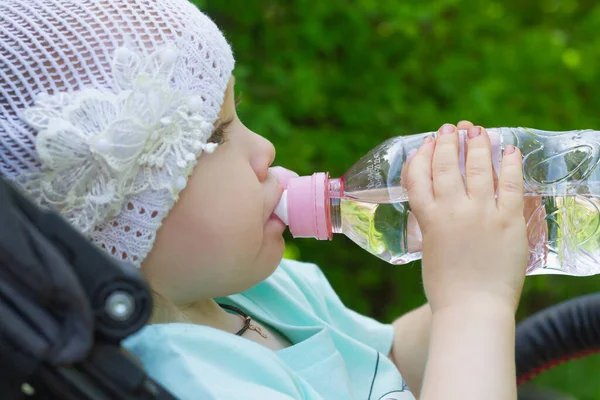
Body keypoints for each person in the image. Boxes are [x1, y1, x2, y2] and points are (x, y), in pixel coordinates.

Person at [0, 1, 529, 399]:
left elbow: (392, 363)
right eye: (217, 134)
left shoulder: (263, 292)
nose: (265, 148)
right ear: (119, 213)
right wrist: (474, 303)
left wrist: (480, 254)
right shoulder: (185, 378)